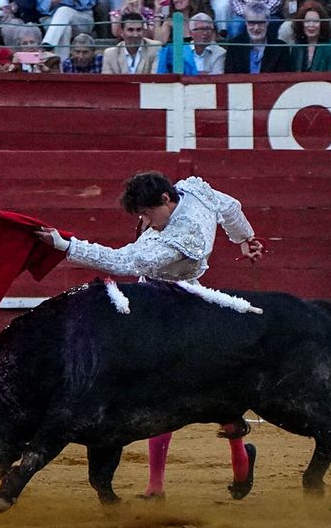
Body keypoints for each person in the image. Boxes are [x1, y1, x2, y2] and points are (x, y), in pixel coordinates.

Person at [33, 170, 263, 499]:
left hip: (176, 311)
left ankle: (240, 464)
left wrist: (65, 246)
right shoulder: (191, 191)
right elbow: (230, 207)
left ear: (166, 201)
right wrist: (245, 238)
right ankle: (156, 486)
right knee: (166, 393)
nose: (144, 220)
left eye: (147, 212)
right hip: (158, 306)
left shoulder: (183, 238)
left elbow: (121, 261)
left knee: (198, 393)